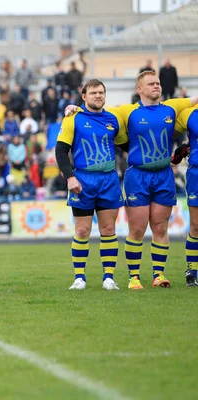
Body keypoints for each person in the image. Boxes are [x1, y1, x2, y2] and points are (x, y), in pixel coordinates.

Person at [66, 71, 198, 289]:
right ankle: (133, 276)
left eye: (158, 83)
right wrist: (75, 109)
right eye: (151, 83)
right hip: (138, 175)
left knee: (160, 227)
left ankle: (159, 275)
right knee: (137, 228)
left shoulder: (172, 107)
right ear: (139, 89)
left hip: (164, 174)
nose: (156, 86)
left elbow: (193, 100)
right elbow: (98, 113)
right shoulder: (126, 111)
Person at [56, 79, 128, 291]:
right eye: (94, 92)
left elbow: (126, 144)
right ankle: (79, 277)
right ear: (84, 96)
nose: (98, 95)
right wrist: (70, 177)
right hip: (83, 180)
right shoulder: (73, 118)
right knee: (83, 230)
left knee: (108, 229)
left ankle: (108, 278)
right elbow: (61, 151)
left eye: (101, 92)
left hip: (108, 180)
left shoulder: (113, 119)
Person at [173, 105, 198, 286]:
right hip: (196, 173)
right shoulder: (189, 114)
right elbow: (163, 127)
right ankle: (192, 272)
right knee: (196, 226)